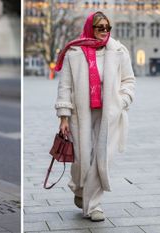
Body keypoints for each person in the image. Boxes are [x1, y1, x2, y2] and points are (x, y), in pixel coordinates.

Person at [54, 11, 136, 222]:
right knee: (82, 157)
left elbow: (129, 81)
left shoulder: (118, 51)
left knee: (102, 157)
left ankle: (94, 205)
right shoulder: (74, 51)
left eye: (108, 28)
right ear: (91, 27)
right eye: (100, 27)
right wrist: (63, 116)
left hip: (109, 113)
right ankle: (80, 189)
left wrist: (122, 101)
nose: (104, 32)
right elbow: (65, 86)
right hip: (81, 112)